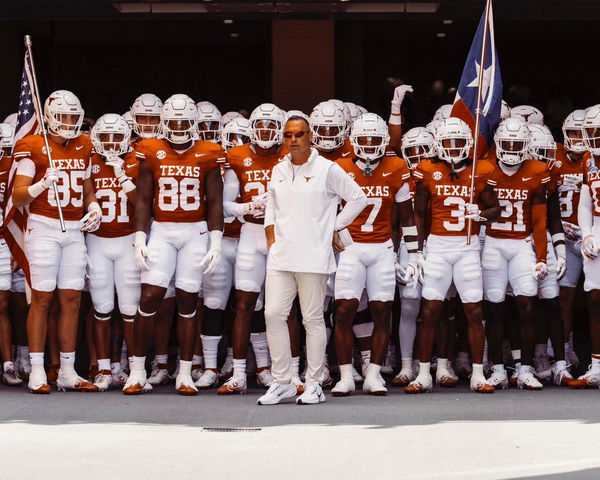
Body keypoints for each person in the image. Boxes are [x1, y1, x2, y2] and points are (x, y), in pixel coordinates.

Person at [257, 115, 367, 405]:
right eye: (288, 135)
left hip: (314, 258)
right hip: (281, 258)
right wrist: (270, 233)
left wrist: (334, 226)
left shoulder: (328, 169)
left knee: (312, 319)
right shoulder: (278, 169)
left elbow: (358, 198)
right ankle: (283, 382)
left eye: (299, 134)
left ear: (311, 137)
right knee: (273, 316)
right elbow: (272, 204)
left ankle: (315, 383)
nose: (293, 140)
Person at [124, 94, 224, 395]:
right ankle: (138, 371)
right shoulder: (150, 149)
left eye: (184, 123)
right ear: (164, 124)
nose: (179, 128)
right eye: (174, 123)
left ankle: (184, 373)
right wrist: (140, 236)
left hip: (195, 231)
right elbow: (142, 199)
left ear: (194, 124)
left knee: (187, 300)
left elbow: (215, 202)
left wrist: (216, 241)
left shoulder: (209, 152)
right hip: (163, 230)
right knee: (150, 297)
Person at [12, 90, 102, 393]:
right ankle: (38, 368)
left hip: (74, 230)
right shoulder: (32, 145)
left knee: (72, 299)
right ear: (49, 117)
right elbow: (18, 195)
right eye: (63, 116)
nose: (69, 122)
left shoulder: (84, 144)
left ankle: (67, 369)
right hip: (44, 226)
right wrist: (41, 184)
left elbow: (87, 188)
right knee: (42, 298)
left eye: (74, 117)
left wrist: (94, 206)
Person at [407, 117, 500, 394]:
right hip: (437, 246)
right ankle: (424, 373)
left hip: (467, 247)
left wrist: (480, 214)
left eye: (459, 142)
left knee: (473, 310)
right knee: (430, 310)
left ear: (469, 144)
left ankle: (477, 373)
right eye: (448, 142)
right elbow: (420, 213)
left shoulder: (481, 169)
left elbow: (497, 209)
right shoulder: (427, 168)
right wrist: (417, 250)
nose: (454, 147)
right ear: (439, 144)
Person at [331, 113, 417, 396]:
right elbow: (325, 209)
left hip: (382, 249)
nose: (369, 146)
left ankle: (374, 374)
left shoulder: (396, 166)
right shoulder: (340, 167)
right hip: (351, 248)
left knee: (382, 313)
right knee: (343, 311)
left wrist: (414, 256)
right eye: (363, 141)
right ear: (353, 142)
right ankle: (345, 375)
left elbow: (406, 217)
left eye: (375, 141)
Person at [218, 103, 287, 394]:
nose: (266, 132)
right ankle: (238, 373)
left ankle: (288, 373)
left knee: (283, 308)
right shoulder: (237, 156)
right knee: (244, 306)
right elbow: (224, 206)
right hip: (249, 233)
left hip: (282, 236)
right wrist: (247, 206)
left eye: (272, 126)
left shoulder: (292, 156)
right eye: (262, 125)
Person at [87, 113, 140, 390]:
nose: (110, 142)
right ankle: (105, 368)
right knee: (103, 307)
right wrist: (91, 205)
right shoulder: (91, 160)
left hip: (127, 239)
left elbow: (142, 202)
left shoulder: (134, 160)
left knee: (130, 308)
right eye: (105, 136)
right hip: (98, 241)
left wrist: (121, 173)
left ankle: (134, 367)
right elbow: (85, 193)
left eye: (116, 136)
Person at [570, 105, 600, 387]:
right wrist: (587, 233)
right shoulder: (589, 158)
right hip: (598, 227)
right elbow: (585, 198)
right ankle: (597, 364)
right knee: (594, 298)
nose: (593, 137)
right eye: (591, 132)